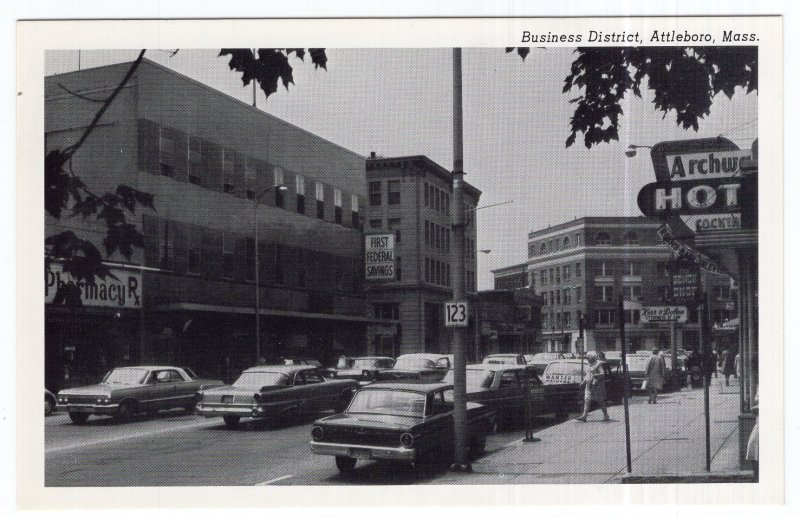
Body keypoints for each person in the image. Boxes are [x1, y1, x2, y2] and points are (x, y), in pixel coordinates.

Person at [575, 351, 610, 422]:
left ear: (592, 357)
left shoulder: (598, 365)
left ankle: (606, 415)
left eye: (588, 357)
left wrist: (595, 375)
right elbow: (587, 375)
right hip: (588, 385)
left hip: (596, 386)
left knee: (600, 401)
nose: (587, 359)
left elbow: (602, 374)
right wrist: (583, 382)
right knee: (587, 400)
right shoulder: (589, 365)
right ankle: (584, 416)